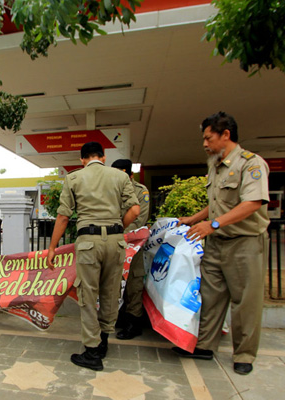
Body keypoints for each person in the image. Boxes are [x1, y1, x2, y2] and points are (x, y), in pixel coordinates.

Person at [172, 112, 269, 376]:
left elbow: (252, 203)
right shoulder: (215, 165)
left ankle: (244, 354)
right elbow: (217, 203)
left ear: (225, 135)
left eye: (208, 138)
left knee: (245, 302)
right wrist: (195, 219)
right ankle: (204, 346)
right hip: (217, 244)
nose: (204, 144)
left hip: (245, 243)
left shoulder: (251, 164)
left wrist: (212, 225)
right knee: (210, 297)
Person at [45, 142, 140, 371]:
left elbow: (64, 217)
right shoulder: (120, 177)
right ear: (104, 157)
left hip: (89, 243)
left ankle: (91, 352)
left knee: (88, 296)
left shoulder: (74, 178)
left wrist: (52, 248)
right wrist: (117, 228)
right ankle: (104, 342)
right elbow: (135, 210)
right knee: (110, 292)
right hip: (116, 242)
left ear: (82, 159)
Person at [111, 159, 150, 340]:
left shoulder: (140, 191)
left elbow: (139, 219)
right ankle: (119, 318)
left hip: (133, 245)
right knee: (116, 284)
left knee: (133, 284)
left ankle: (134, 323)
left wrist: (118, 233)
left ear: (130, 175)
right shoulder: (110, 190)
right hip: (114, 245)